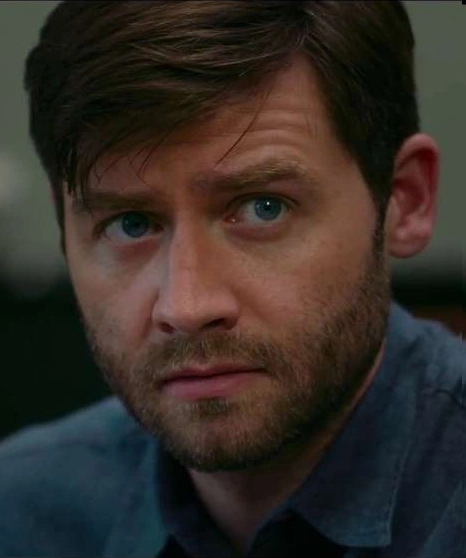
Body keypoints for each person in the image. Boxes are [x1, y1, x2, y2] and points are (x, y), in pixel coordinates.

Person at [0, 1, 463, 557]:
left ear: (404, 200)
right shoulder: (20, 512)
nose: (187, 306)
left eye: (264, 208)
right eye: (130, 224)